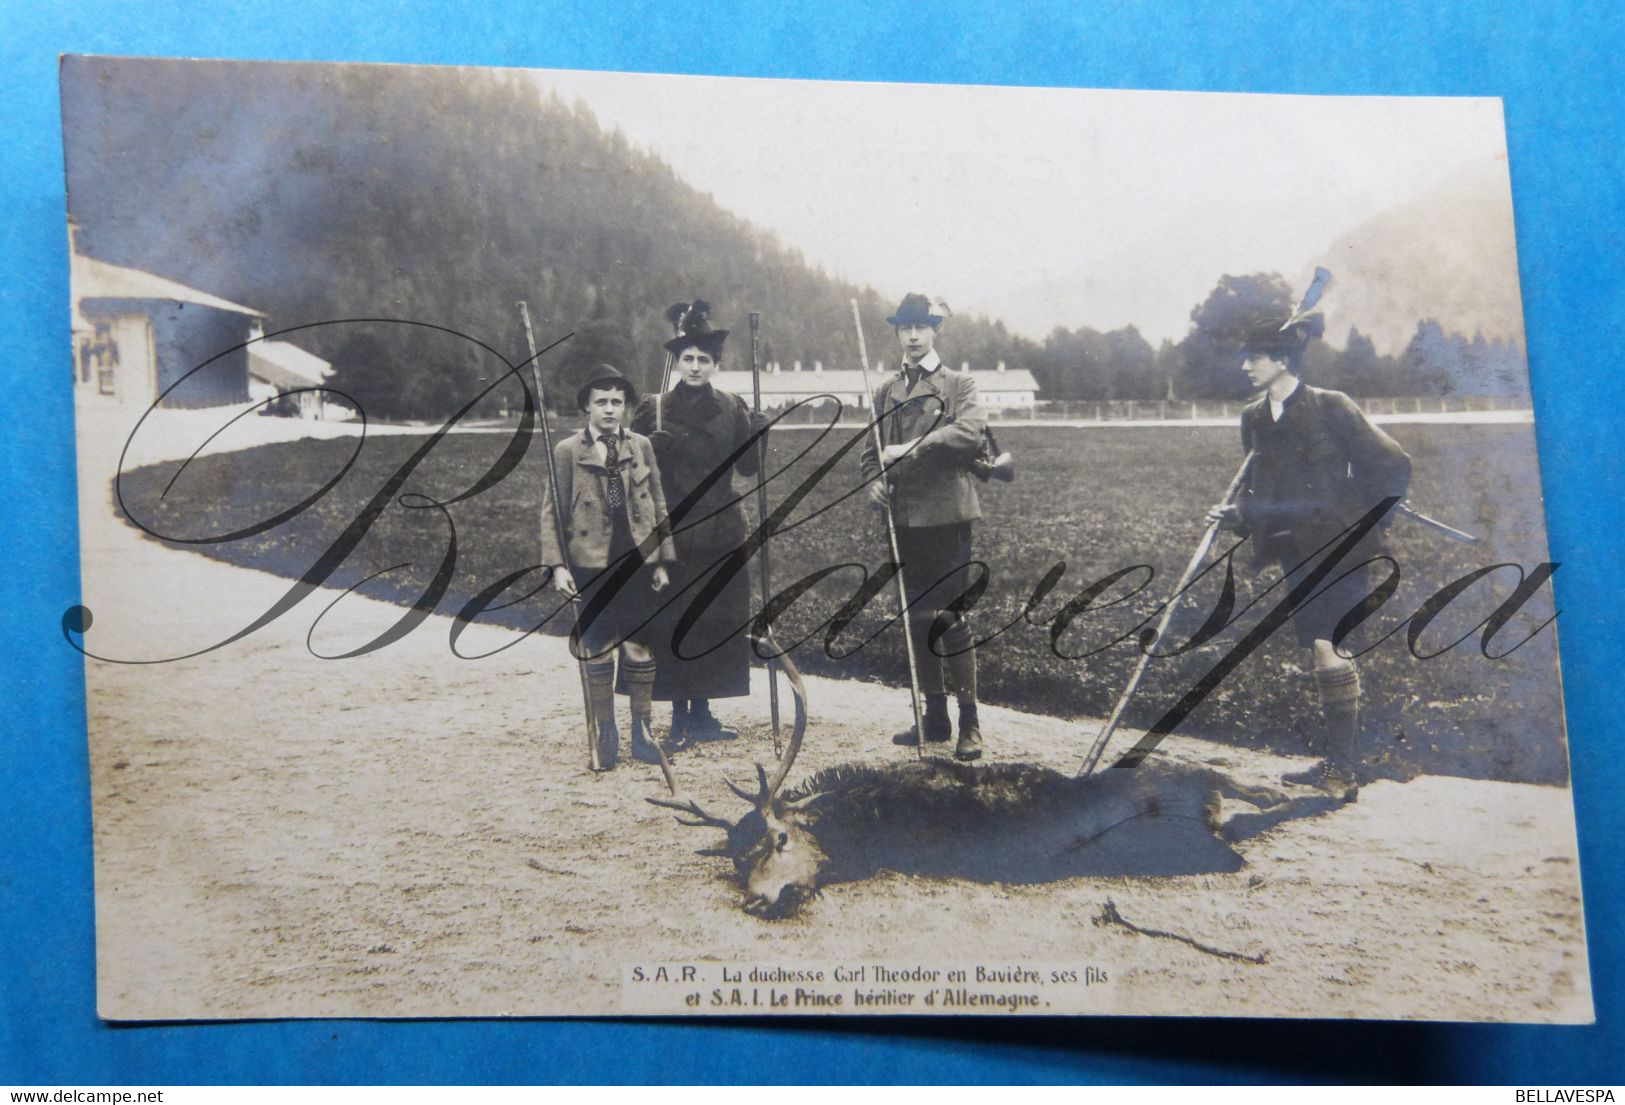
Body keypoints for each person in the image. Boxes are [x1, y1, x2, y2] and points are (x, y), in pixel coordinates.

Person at [1206, 308, 1411, 802]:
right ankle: (1337, 766)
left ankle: (1342, 773)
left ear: (1281, 358)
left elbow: (1393, 464)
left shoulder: (1330, 405)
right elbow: (1260, 492)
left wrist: (1364, 517)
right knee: (1319, 649)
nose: (1246, 367)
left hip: (1344, 546)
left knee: (1328, 646)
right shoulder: (1253, 417)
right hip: (1295, 549)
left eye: (1254, 358)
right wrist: (1235, 514)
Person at [631, 300, 770, 746]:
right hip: (672, 532)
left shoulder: (732, 408)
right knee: (672, 617)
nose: (694, 367)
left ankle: (704, 713)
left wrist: (759, 433)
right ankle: (677, 717)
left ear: (716, 364)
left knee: (712, 618)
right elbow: (631, 474)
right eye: (687, 358)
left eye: (703, 360)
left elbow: (748, 468)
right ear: (677, 362)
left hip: (720, 529)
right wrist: (646, 450)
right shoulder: (652, 409)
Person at [860, 293, 988, 761]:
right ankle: (934, 718)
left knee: (948, 619)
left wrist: (910, 448)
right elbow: (868, 452)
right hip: (905, 520)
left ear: (935, 330)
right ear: (897, 333)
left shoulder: (959, 384)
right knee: (916, 623)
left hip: (949, 517)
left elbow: (969, 433)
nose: (912, 337)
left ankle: (970, 723)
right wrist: (872, 481)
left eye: (921, 328)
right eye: (904, 328)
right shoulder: (885, 391)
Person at [541, 364, 675, 771]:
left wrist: (661, 559)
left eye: (617, 402)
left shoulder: (641, 446)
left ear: (627, 408)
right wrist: (557, 566)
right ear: (587, 407)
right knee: (596, 646)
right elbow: (551, 513)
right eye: (601, 402)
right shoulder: (567, 451)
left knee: (639, 644)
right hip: (590, 563)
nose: (610, 410)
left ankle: (643, 733)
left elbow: (659, 503)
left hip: (635, 559)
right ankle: (605, 734)